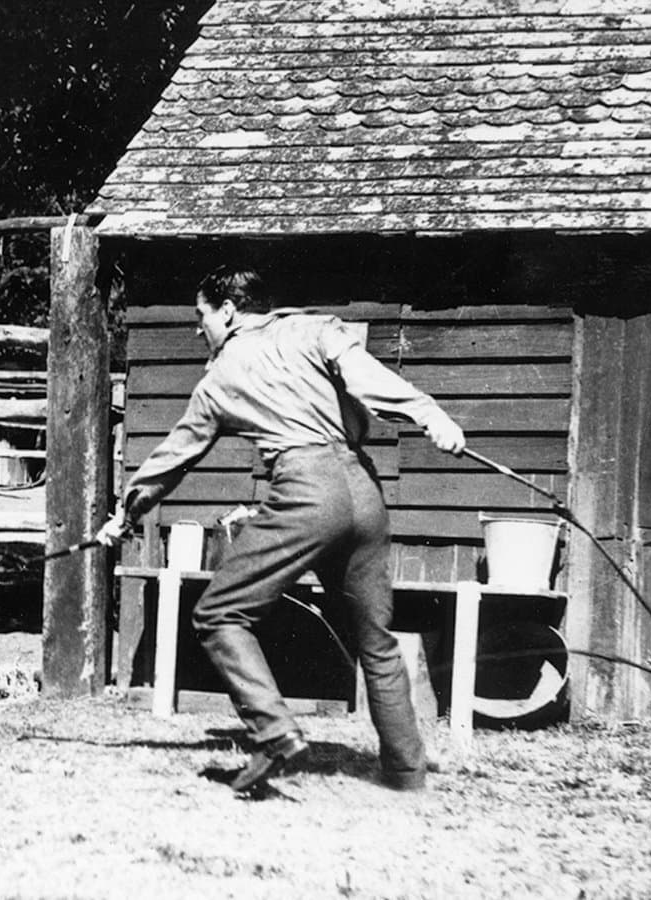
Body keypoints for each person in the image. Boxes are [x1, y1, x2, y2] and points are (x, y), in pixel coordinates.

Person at [96, 268, 465, 795]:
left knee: (219, 612)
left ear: (227, 310)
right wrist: (431, 416)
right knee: (376, 641)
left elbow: (174, 455)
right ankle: (406, 775)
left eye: (201, 316)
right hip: (364, 490)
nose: (199, 330)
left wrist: (126, 513)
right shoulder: (312, 329)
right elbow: (366, 376)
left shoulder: (219, 379)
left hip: (307, 493)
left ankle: (274, 735)